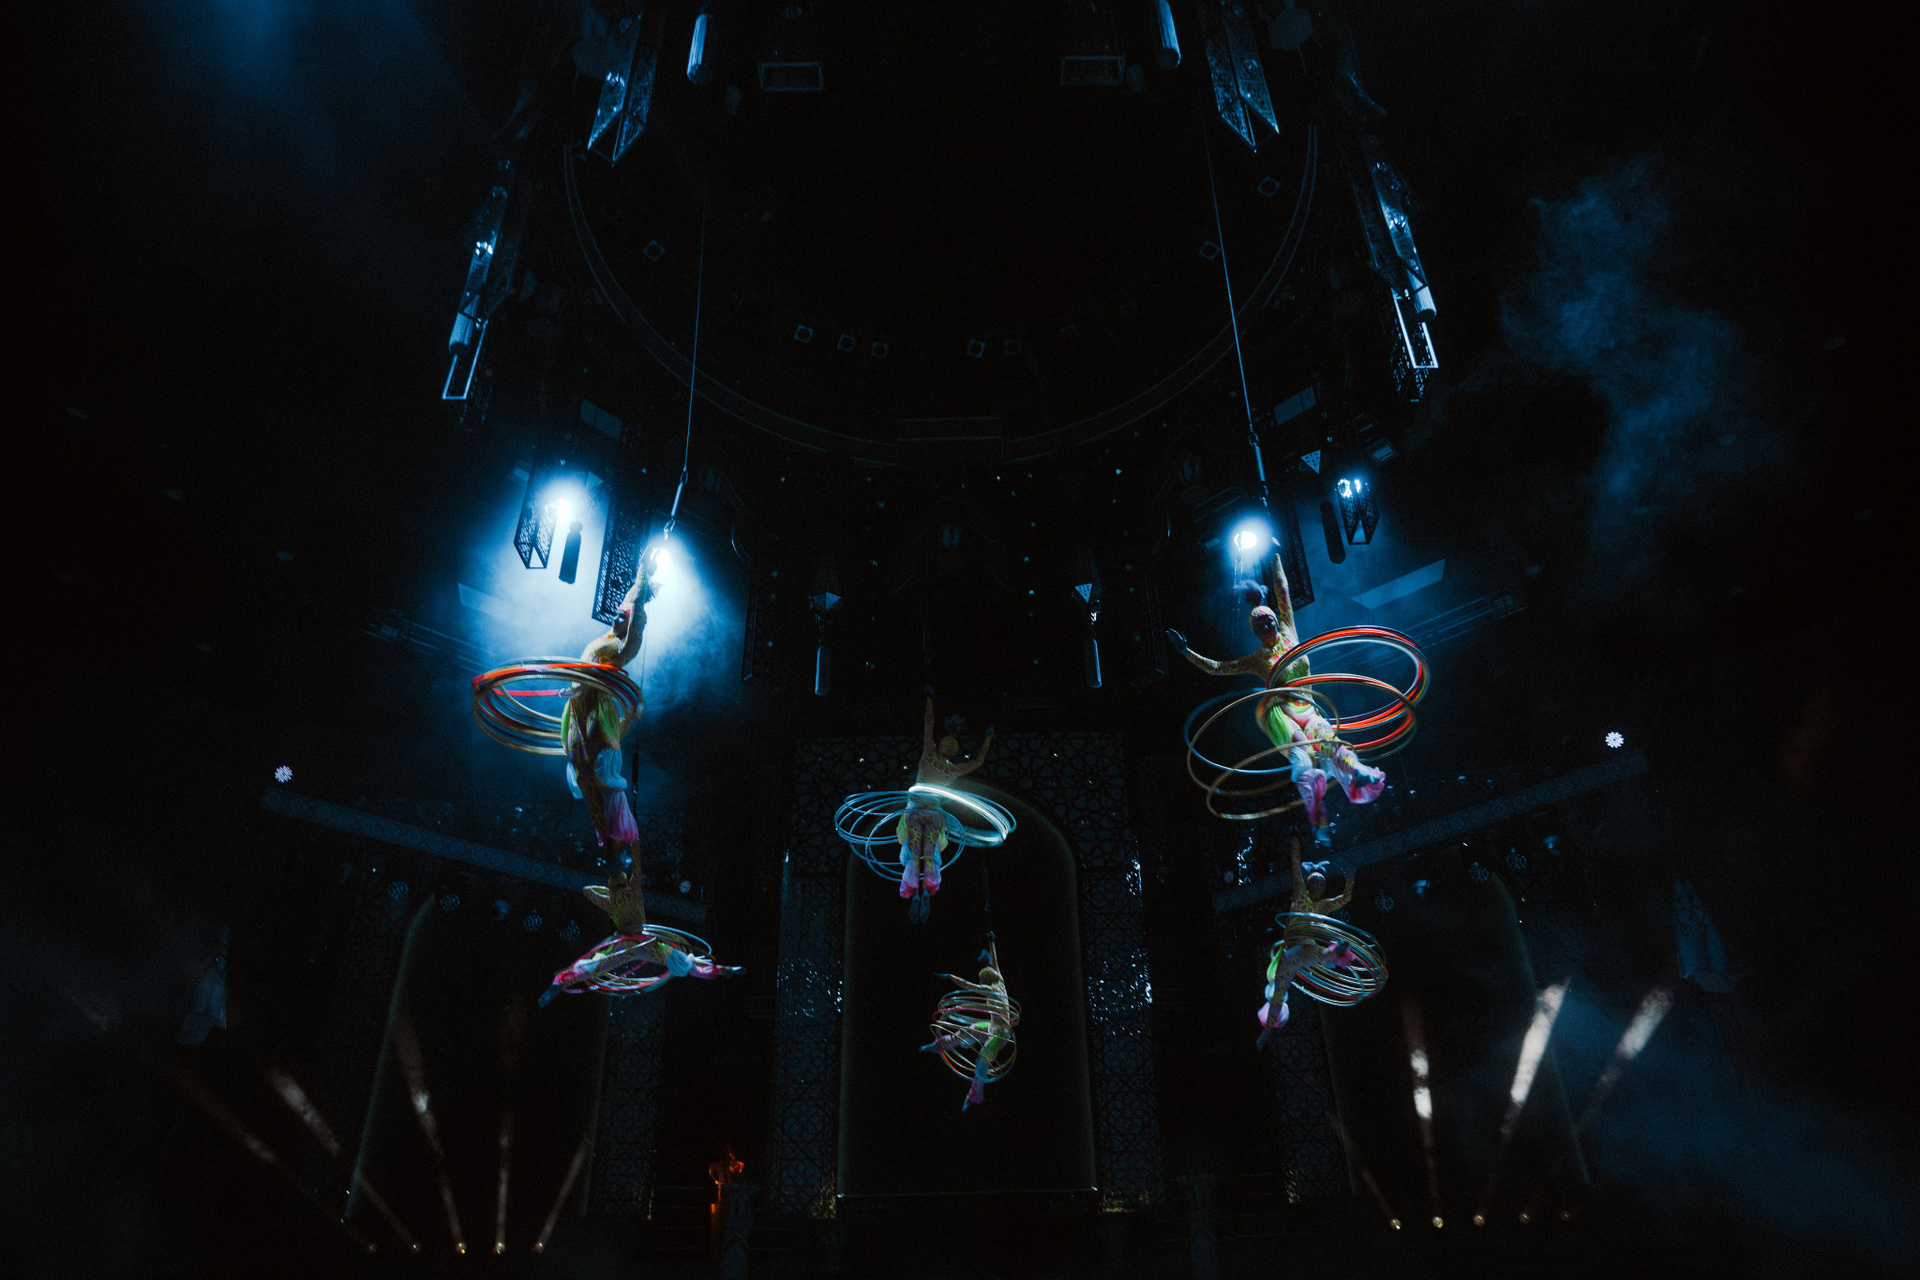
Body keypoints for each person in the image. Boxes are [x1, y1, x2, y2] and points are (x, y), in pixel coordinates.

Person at [1167, 547, 1384, 844]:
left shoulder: (1288, 630)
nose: (1267, 626)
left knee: (1329, 741)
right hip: (1282, 715)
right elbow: (1217, 668)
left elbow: (1282, 590)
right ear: (1254, 631)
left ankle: (1359, 771)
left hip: (1308, 709)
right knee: (1304, 758)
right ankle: (1320, 823)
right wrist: (1186, 653)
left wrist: (1274, 556)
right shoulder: (1257, 660)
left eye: (1268, 620)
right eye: (1259, 625)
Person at [561, 556, 655, 854]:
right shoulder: (610, 634)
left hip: (595, 705)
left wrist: (643, 569)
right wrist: (573, 688)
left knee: (592, 772)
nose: (615, 618)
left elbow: (635, 608)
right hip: (579, 701)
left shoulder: (625, 645)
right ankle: (607, 840)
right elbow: (629, 601)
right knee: (581, 770)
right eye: (616, 615)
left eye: (622, 618)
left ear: (632, 623)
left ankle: (612, 846)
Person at [541, 872, 735, 1004]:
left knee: (595, 965)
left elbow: (587, 890)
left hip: (634, 943)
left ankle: (561, 981)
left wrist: (608, 892)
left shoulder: (614, 901)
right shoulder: (626, 897)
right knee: (595, 966)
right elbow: (588, 890)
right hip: (636, 943)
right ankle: (560, 982)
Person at [897, 697, 995, 922]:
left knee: (914, 853)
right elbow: (978, 761)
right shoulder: (952, 770)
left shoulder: (929, 756)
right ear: (954, 752)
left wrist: (929, 699)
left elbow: (928, 724)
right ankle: (925, 892)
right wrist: (988, 738)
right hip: (933, 813)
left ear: (940, 747)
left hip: (915, 809)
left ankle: (915, 894)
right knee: (929, 852)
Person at [1256, 839, 1360, 1045]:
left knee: (1321, 955)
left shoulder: (1323, 906)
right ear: (1308, 882)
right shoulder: (1300, 893)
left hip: (1307, 946)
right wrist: (1295, 842)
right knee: (1279, 993)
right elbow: (1295, 867)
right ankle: (1267, 1030)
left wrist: (1350, 878)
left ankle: (1338, 951)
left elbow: (1345, 898)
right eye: (1315, 882)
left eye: (1322, 884)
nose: (1318, 886)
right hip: (1291, 949)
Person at [920, 947, 1016, 1110]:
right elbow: (995, 961)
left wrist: (951, 977)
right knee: (968, 1030)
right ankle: (940, 1045)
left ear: (986, 980)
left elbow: (968, 985)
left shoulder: (991, 990)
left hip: (1001, 1033)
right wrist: (992, 942)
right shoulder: (1000, 980)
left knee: (982, 1060)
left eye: (981, 980)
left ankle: (976, 1095)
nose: (981, 983)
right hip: (992, 1027)